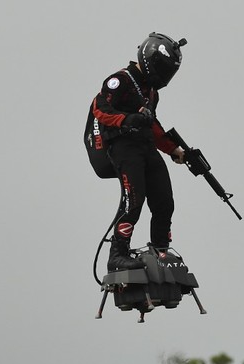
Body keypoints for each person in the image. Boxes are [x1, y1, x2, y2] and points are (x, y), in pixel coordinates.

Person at [91, 32, 187, 271]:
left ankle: (161, 251)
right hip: (123, 146)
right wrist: (127, 119)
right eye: (163, 69)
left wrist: (174, 149)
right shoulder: (120, 80)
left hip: (145, 146)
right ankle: (117, 254)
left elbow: (152, 126)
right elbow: (100, 108)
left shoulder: (152, 93)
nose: (166, 76)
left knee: (164, 200)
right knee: (134, 200)